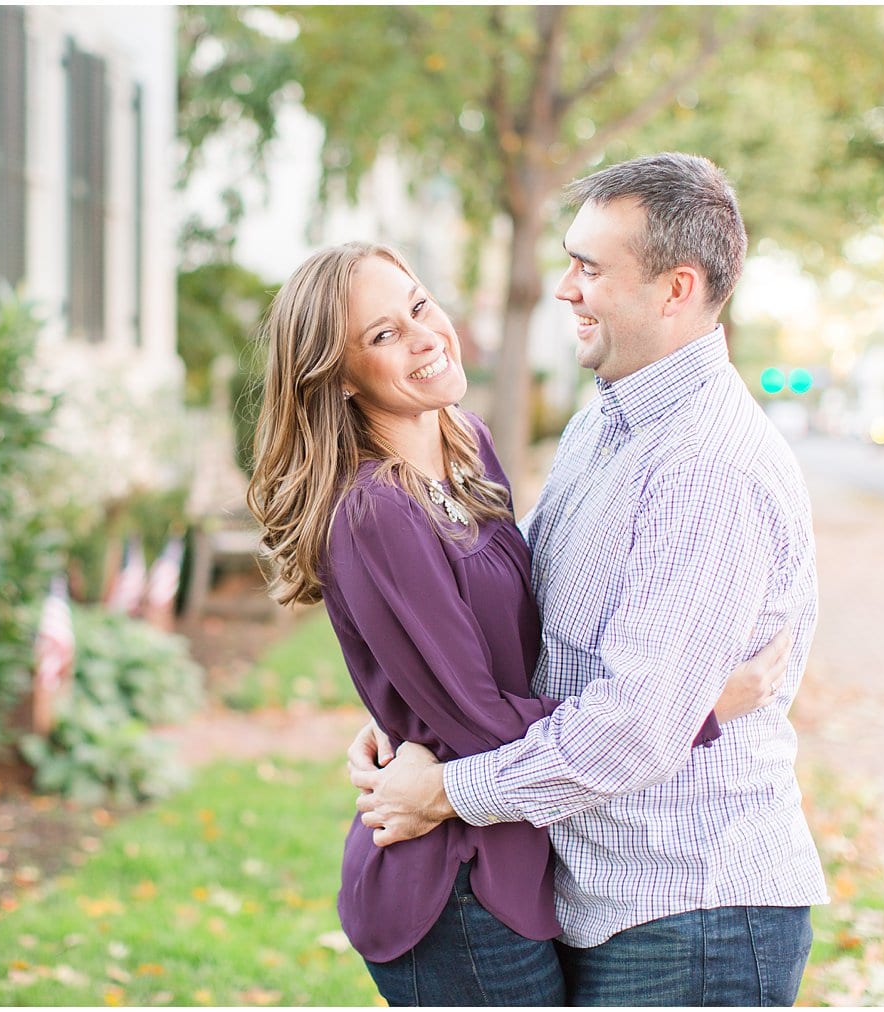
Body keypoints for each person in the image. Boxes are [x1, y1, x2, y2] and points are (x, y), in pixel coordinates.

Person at [247, 239, 790, 1006]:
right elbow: (478, 722)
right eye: (381, 336)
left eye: (417, 306)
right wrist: (693, 704)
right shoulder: (377, 512)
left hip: (520, 860)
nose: (424, 335)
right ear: (336, 378)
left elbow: (523, 625)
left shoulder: (465, 444)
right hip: (454, 886)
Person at [348, 153, 830, 1007]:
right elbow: (500, 606)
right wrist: (404, 714)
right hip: (608, 896)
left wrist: (444, 791)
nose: (564, 287)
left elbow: (632, 733)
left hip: (692, 912)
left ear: (675, 289)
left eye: (590, 268)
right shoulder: (605, 422)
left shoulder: (703, 468)